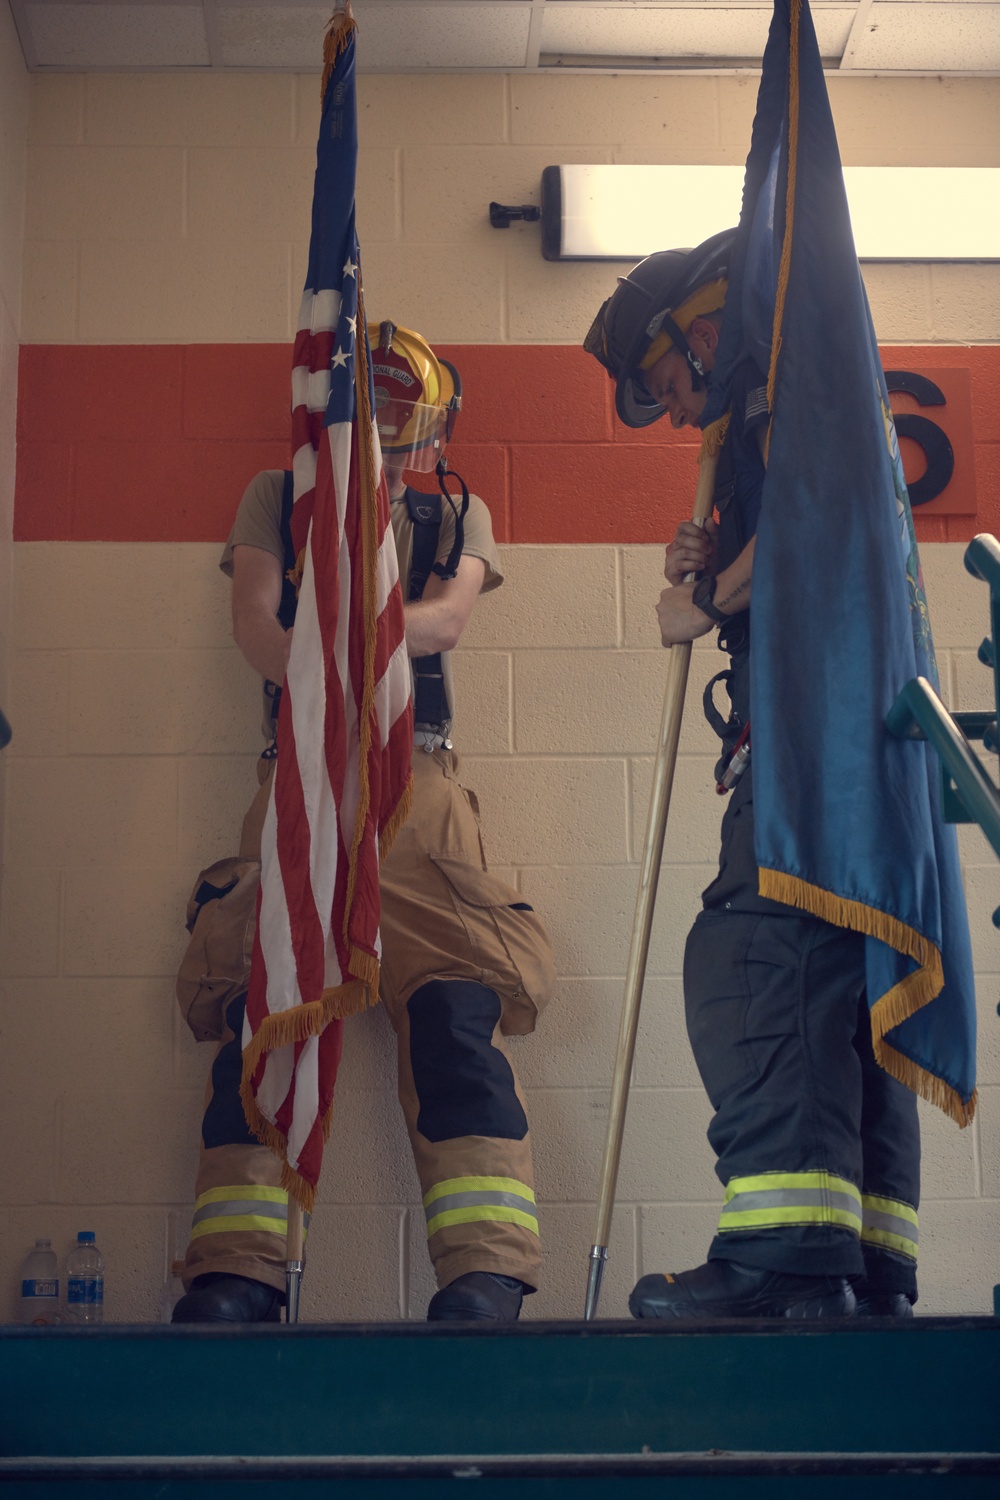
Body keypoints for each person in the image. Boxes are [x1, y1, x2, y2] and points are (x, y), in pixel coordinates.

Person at [172, 321, 555, 1324]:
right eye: (369, 405)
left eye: (399, 409)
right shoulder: (276, 495)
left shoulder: (456, 510)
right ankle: (233, 1277)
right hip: (297, 776)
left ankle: (483, 1277)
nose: (384, 425)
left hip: (415, 779)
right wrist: (349, 641)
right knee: (270, 1022)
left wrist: (336, 638)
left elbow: (445, 623)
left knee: (454, 1023)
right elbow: (258, 630)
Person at [584, 234, 920, 1320]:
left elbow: (815, 530)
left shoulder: (776, 393)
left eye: (672, 384)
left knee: (753, 959)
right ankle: (862, 1266)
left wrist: (707, 599)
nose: (678, 413)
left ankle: (781, 1258)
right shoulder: (804, 390)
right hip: (855, 739)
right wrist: (716, 551)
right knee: (835, 987)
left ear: (703, 329)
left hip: (809, 738)